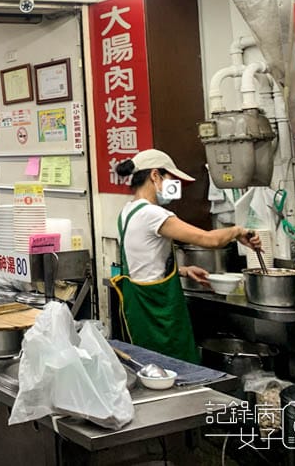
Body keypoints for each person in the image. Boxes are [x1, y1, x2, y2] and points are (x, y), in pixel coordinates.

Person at [110, 148, 261, 363]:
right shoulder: (152, 214)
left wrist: (181, 271)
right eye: (172, 180)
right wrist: (238, 231)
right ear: (155, 175)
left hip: (139, 306)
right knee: (173, 367)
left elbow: (142, 261)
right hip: (157, 310)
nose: (175, 188)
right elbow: (209, 240)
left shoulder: (128, 210)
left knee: (150, 366)